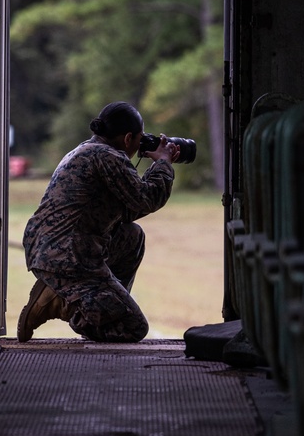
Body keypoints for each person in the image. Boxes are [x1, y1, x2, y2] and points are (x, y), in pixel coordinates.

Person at [16, 101, 181, 344]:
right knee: (133, 327)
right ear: (127, 139)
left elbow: (128, 210)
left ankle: (98, 307)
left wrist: (157, 165)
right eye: (138, 139)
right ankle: (64, 303)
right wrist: (163, 163)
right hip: (68, 253)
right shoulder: (108, 156)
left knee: (131, 236)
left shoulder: (87, 150)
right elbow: (148, 199)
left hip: (51, 247)